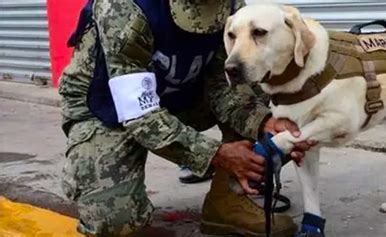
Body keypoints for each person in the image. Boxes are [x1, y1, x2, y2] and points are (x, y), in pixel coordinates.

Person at [59, 0, 313, 236]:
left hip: (179, 94)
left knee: (271, 97)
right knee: (114, 220)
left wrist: (264, 122)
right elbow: (138, 111)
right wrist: (215, 154)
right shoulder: (124, 7)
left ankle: (228, 200)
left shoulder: (230, 5)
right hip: (104, 107)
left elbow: (224, 85)